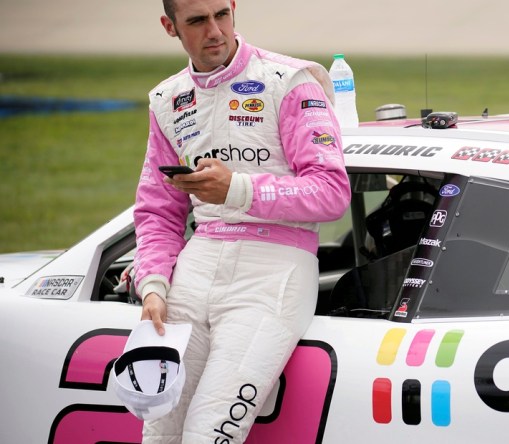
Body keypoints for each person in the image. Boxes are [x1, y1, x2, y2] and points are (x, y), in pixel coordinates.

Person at [132, 0, 351, 441]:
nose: (215, 31)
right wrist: (152, 284)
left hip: (273, 272)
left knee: (210, 432)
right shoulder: (167, 99)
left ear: (233, 9)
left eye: (222, 15)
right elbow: (157, 210)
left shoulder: (289, 81)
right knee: (159, 431)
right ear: (170, 27)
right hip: (196, 268)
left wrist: (238, 189)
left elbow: (332, 193)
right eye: (197, 20)